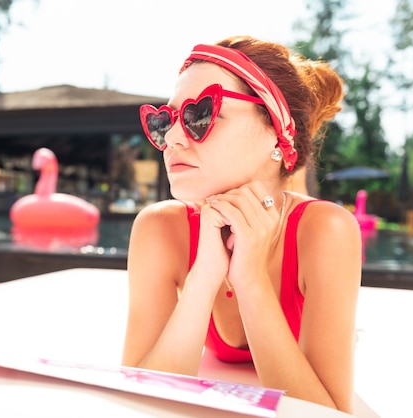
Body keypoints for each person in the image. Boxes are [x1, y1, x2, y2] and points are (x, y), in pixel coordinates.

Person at [121, 36, 362, 414]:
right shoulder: (160, 229)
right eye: (164, 120)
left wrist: (250, 277)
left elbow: (328, 412)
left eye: (200, 115)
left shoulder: (326, 231)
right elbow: (140, 400)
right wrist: (204, 276)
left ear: (277, 135)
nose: (172, 138)